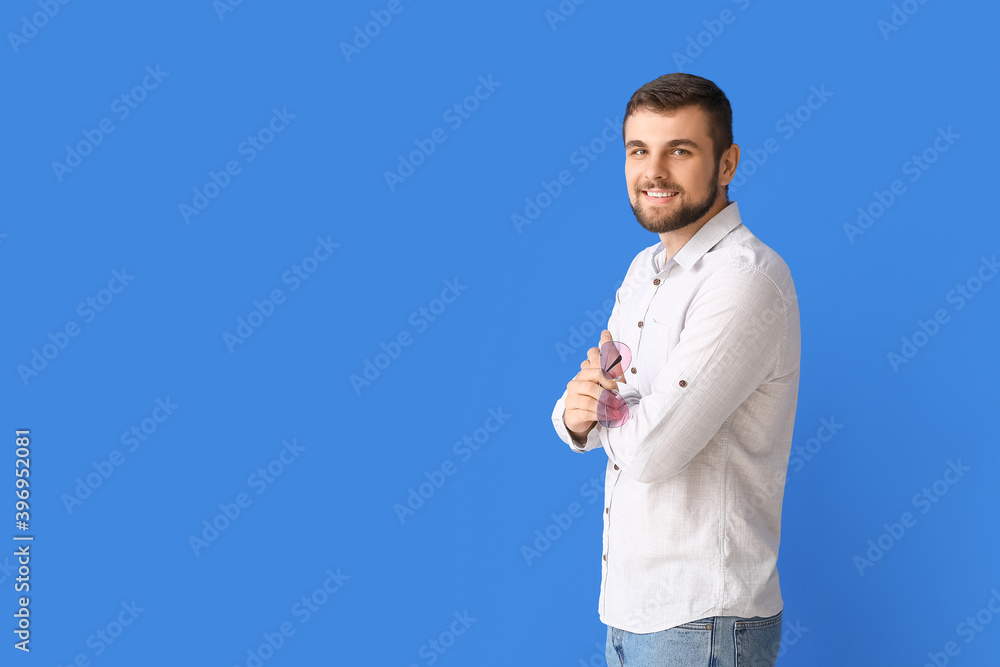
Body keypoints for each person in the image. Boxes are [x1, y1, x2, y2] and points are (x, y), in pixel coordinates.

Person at [551, 72, 801, 667]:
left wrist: (605, 410)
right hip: (629, 606)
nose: (653, 172)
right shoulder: (644, 270)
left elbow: (654, 451)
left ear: (727, 163)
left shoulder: (744, 280)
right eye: (639, 151)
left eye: (679, 151)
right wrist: (584, 413)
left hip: (702, 619)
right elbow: (580, 407)